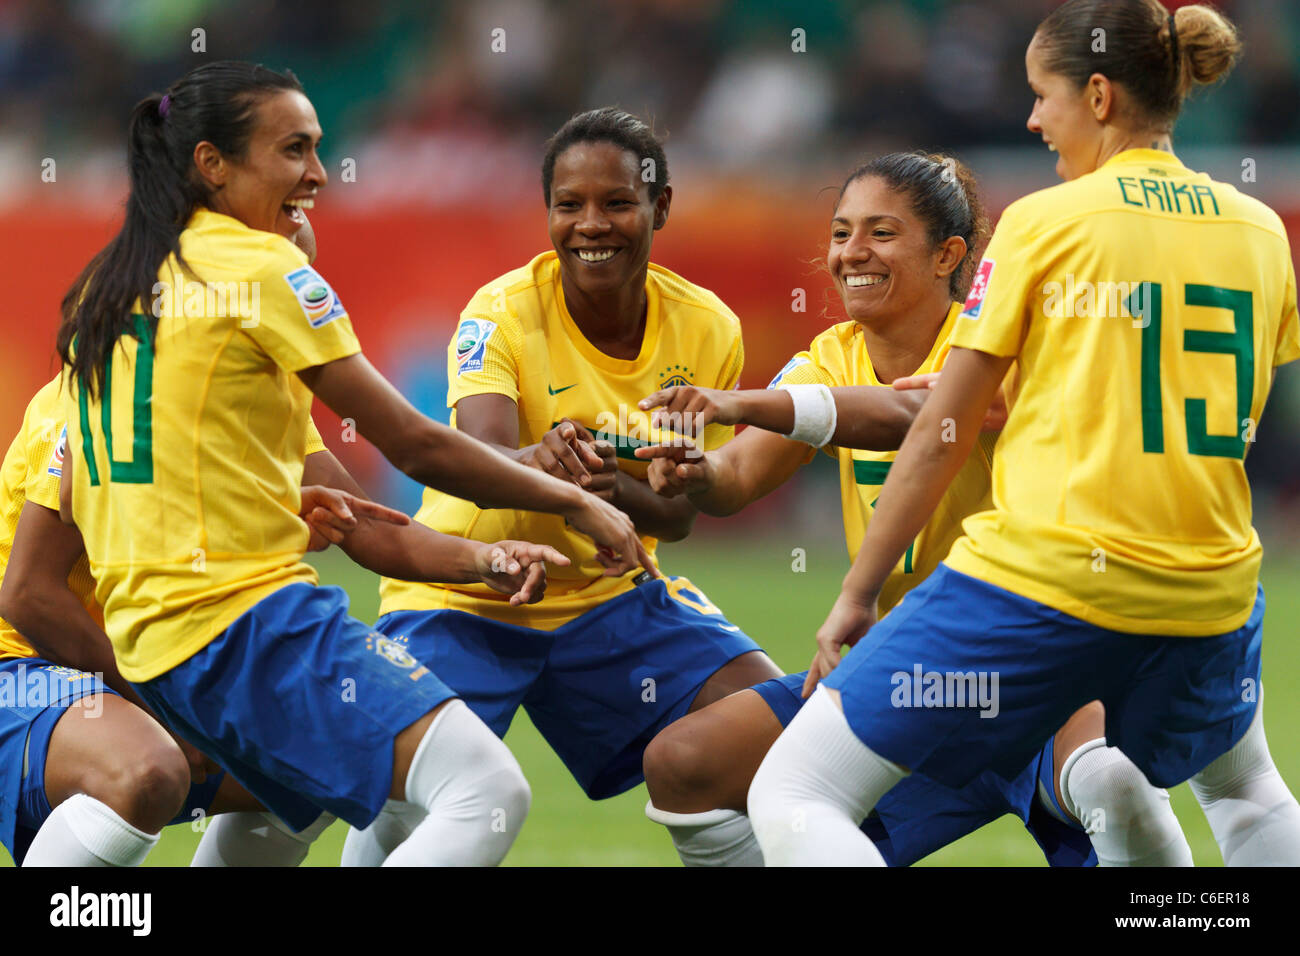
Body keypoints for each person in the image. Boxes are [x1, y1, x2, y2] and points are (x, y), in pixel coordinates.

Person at [55, 61, 651, 867]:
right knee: (485, 793)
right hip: (246, 624)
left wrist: (476, 555)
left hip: (153, 640)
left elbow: (303, 488)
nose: (319, 174)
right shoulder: (262, 271)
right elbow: (413, 442)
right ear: (212, 164)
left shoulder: (113, 283)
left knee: (281, 813)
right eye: (294, 149)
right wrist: (575, 501)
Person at [746, 0, 1300, 866]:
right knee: (1246, 791)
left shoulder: (1046, 220)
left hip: (1048, 582)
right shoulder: (1262, 230)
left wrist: (858, 594)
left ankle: (1085, 779)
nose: (1034, 118)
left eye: (1044, 95)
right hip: (1215, 586)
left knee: (793, 792)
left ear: (1103, 95)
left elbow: (941, 430)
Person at [635, 152, 1189, 867]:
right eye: (841, 233)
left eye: (881, 233)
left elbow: (913, 412)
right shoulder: (829, 357)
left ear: (948, 255)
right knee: (684, 762)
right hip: (905, 672)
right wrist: (692, 471)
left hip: (1027, 659)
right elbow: (736, 477)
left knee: (1113, 781)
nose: (851, 253)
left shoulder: (1000, 346)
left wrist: (736, 399)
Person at [346, 108, 840, 863]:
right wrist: (542, 462)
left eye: (616, 202)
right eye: (568, 204)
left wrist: (615, 489)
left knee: (781, 741)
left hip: (610, 601)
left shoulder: (707, 328)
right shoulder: (502, 312)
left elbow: (673, 520)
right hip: (470, 591)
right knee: (411, 795)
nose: (591, 224)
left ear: (660, 207)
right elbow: (478, 458)